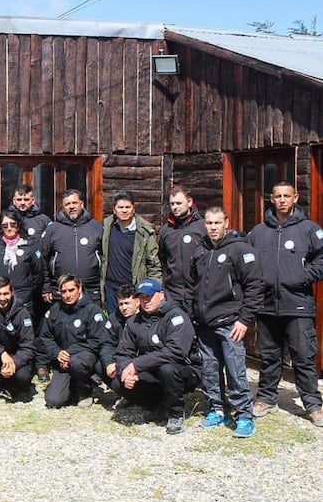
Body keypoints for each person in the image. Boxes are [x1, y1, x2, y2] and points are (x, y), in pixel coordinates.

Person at [247, 182, 323, 427]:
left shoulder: (309, 230)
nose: (282, 200)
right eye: (277, 196)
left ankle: (313, 404)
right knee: (269, 357)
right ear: (271, 199)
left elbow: (321, 260)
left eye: (286, 196)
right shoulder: (259, 232)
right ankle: (267, 399)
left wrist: (301, 276)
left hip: (298, 304)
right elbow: (247, 262)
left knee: (303, 357)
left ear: (295, 198)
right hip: (267, 306)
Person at [186, 206, 261, 438]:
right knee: (210, 370)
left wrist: (244, 320)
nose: (214, 227)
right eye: (209, 223)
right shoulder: (200, 251)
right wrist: (193, 317)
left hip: (231, 323)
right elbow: (192, 287)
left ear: (226, 222)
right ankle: (217, 410)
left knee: (236, 370)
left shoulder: (239, 249)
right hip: (205, 323)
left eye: (218, 223)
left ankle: (244, 416)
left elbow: (255, 286)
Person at [112, 279, 201, 435]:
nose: (145, 301)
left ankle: (176, 413)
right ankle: (159, 405)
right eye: (142, 297)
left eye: (149, 297)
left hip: (184, 369)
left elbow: (176, 352)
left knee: (167, 369)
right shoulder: (134, 322)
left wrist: (136, 365)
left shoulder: (176, 316)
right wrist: (125, 372)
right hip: (153, 369)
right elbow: (123, 352)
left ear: (161, 294)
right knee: (119, 382)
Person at [38, 275, 107, 409]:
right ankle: (73, 387)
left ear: (79, 289)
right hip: (62, 360)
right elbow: (46, 337)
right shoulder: (55, 310)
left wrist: (69, 354)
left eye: (71, 290)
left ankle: (85, 391)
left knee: (77, 363)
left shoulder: (92, 310)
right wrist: (57, 353)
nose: (67, 295)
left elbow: (97, 340)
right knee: (53, 400)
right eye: (63, 292)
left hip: (84, 357)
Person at [100, 190, 162, 315]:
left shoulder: (145, 232)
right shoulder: (107, 227)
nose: (124, 210)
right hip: (112, 289)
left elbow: (154, 265)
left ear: (133, 209)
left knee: (135, 327)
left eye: (127, 207)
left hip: (134, 288)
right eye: (120, 207)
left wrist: (153, 290)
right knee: (114, 326)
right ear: (114, 210)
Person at [0, 276, 36, 402]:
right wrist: (1, 353)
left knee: (23, 378)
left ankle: (8, 383)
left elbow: (28, 346)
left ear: (12, 292)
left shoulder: (22, 312)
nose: (2, 298)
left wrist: (14, 362)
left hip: (13, 356)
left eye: (5, 294)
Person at [40, 189, 104, 305]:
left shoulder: (96, 227)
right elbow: (43, 260)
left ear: (81, 204)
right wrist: (46, 287)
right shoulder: (52, 229)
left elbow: (105, 257)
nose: (71, 207)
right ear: (63, 207)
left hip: (91, 288)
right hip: (62, 290)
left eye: (74, 203)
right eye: (67, 204)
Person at [0, 208, 44, 314]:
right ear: (0, 227)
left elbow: (38, 272)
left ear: (18, 225)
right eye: (5, 225)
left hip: (23, 298)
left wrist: (28, 289)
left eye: (13, 224)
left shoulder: (30, 245)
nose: (9, 228)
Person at [157, 185, 206, 306]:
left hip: (199, 291)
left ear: (189, 202)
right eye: (172, 204)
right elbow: (163, 258)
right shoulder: (166, 231)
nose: (175, 207)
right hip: (174, 293)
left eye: (179, 203)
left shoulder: (202, 227)